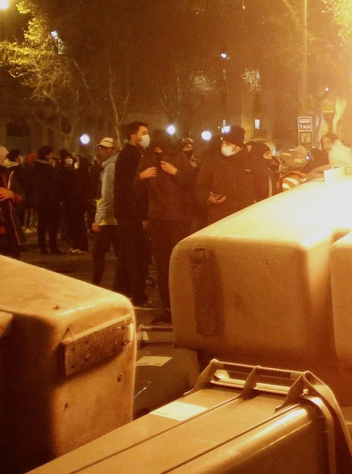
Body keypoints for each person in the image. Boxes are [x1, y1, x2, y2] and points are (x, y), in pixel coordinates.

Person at [139, 139, 195, 323]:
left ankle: (184, 307)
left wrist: (176, 172)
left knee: (179, 265)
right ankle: (169, 308)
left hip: (179, 221)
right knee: (162, 267)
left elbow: (191, 184)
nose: (158, 150)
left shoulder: (179, 158)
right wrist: (141, 177)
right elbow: (135, 191)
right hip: (158, 220)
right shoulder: (147, 160)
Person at [195, 126, 271, 225]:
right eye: (223, 142)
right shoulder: (212, 161)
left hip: (245, 218)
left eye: (228, 143)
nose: (224, 146)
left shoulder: (252, 162)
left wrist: (251, 202)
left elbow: (262, 188)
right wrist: (207, 198)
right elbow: (201, 185)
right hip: (219, 217)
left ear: (238, 145)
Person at [113, 121, 151, 307]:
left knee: (127, 254)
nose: (146, 136)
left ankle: (121, 290)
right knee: (137, 255)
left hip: (125, 212)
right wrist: (142, 215)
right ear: (133, 135)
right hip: (131, 213)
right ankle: (137, 294)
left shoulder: (129, 154)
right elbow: (130, 188)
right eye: (143, 133)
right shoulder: (132, 156)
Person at [90, 138, 120, 287]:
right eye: (100, 148)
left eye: (104, 148)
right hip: (114, 217)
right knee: (120, 252)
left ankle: (96, 283)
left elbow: (107, 195)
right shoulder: (111, 165)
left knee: (98, 252)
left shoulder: (110, 167)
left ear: (112, 150)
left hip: (109, 218)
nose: (100, 151)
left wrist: (98, 219)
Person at [28, 144, 65, 254]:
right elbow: (52, 184)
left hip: (40, 200)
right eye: (50, 154)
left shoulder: (35, 167)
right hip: (49, 200)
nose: (51, 156)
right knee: (52, 225)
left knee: (42, 224)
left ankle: (43, 246)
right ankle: (52, 246)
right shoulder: (46, 168)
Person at [58, 150, 90, 252]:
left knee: (77, 224)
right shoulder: (70, 172)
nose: (69, 160)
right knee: (74, 224)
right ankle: (76, 244)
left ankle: (80, 245)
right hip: (72, 201)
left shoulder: (77, 173)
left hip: (76, 202)